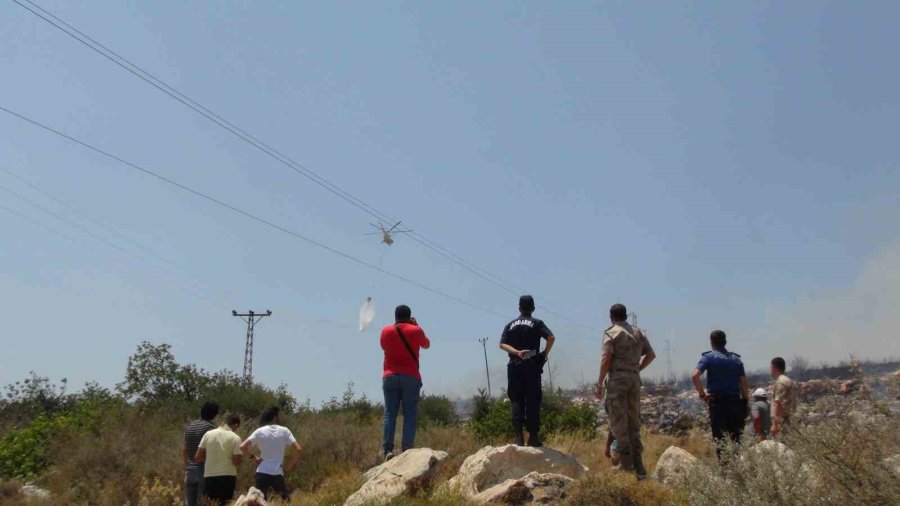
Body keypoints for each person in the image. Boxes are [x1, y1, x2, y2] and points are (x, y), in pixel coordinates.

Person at [595, 303, 655, 479]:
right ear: (626, 316)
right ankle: (639, 466)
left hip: (617, 382)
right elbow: (651, 355)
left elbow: (606, 359)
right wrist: (636, 369)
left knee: (619, 424)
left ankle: (626, 466)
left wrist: (599, 383)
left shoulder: (611, 333)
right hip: (634, 381)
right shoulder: (638, 333)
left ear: (611, 317)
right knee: (633, 423)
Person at [499, 295, 556, 447]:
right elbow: (551, 338)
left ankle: (518, 437)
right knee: (533, 400)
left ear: (519, 308)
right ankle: (533, 437)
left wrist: (517, 352)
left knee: (516, 400)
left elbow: (502, 344)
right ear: (533, 308)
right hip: (532, 363)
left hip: (515, 364)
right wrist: (544, 354)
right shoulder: (537, 323)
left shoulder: (510, 324)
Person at [380, 304, 431, 461]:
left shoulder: (386, 331)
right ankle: (407, 449)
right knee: (410, 414)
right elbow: (426, 345)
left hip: (390, 376)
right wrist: (415, 325)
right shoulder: (416, 330)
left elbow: (383, 347)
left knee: (390, 413)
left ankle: (388, 449)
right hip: (410, 377)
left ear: (395, 317)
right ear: (410, 317)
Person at [691, 330, 750, 461]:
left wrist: (702, 395)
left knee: (721, 441)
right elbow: (744, 384)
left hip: (718, 405)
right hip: (735, 404)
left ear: (712, 342)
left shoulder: (708, 358)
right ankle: (737, 473)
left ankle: (725, 473)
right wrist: (745, 402)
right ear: (725, 342)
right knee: (736, 441)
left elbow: (695, 376)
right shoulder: (736, 359)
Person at [240, 406, 301, 500]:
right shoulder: (284, 431)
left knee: (260, 502)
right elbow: (298, 449)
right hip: (277, 472)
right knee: (285, 501)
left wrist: (253, 458)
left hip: (262, 472)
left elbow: (242, 446)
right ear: (275, 417)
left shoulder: (259, 431)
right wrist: (288, 467)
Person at [195, 414, 243, 505]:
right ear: (236, 425)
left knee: (211, 503)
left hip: (210, 476)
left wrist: (210, 456)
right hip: (228, 476)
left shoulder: (208, 434)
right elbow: (237, 461)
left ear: (224, 422)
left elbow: (198, 457)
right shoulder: (235, 437)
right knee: (225, 503)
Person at [184, 401, 219, 506]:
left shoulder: (190, 427)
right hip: (203, 470)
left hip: (189, 471)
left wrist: (187, 466)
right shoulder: (211, 429)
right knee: (202, 503)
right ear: (214, 414)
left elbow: (184, 450)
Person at [770, 357, 798, 437]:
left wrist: (775, 425)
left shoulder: (780, 382)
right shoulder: (787, 380)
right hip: (789, 419)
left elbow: (778, 403)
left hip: (782, 422)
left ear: (773, 367)